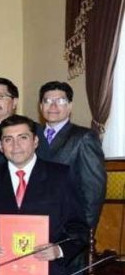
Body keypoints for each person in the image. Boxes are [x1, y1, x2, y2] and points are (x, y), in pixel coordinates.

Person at [0, 115, 89, 275]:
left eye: (23, 138)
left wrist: (59, 250)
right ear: (0, 146)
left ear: (35, 141)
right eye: (8, 139)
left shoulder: (61, 176)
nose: (15, 145)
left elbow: (79, 227)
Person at [37, 81, 105, 230]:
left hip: (69, 224)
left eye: (60, 101)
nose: (53, 106)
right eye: (47, 101)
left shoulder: (84, 137)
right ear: (41, 106)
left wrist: (85, 230)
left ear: (70, 106)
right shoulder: (31, 136)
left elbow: (94, 190)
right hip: (35, 221)